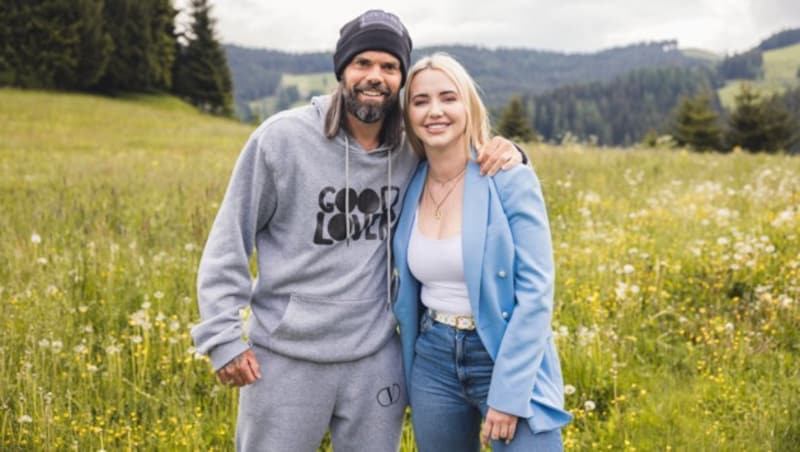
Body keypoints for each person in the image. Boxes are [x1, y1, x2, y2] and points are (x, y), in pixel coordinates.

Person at [190, 10, 524, 451]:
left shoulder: (412, 146)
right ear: (342, 70)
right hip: (286, 358)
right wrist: (222, 337)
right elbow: (228, 241)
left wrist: (513, 152)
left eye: (389, 67)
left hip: (374, 359)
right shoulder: (281, 140)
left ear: (401, 79)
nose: (375, 76)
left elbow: (465, 157)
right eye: (362, 63)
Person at [392, 53, 572, 452]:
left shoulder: (508, 178)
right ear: (408, 115)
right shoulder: (408, 181)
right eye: (420, 101)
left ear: (469, 106)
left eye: (448, 98)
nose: (434, 111)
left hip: (503, 353)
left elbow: (537, 293)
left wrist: (508, 394)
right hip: (433, 359)